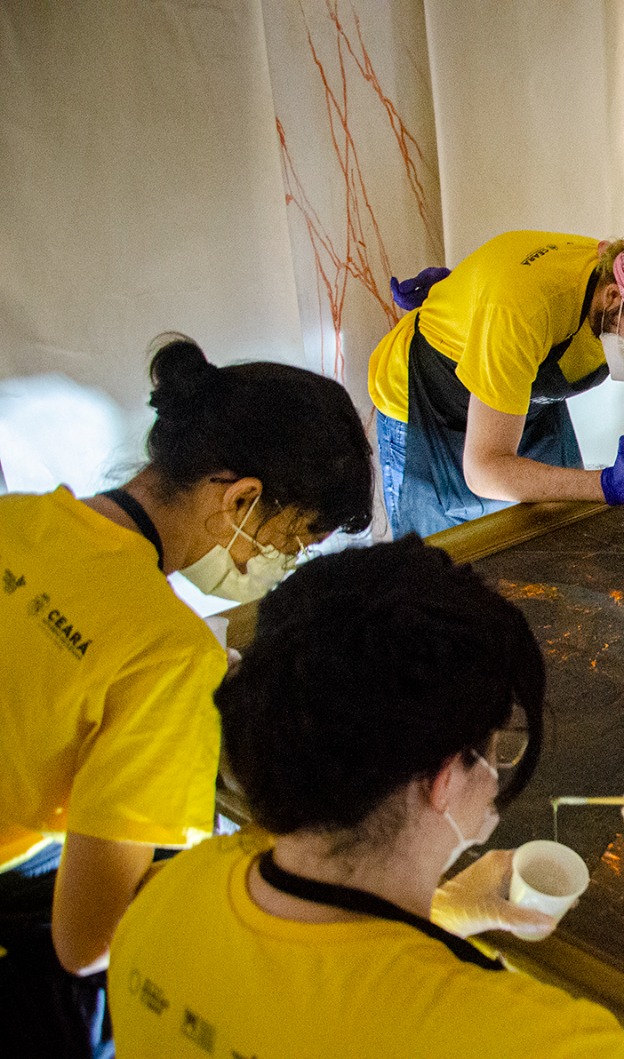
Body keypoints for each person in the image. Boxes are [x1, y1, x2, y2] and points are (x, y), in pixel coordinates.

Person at [108, 538, 624, 1059]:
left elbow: (311, 982)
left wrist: (444, 912)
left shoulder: (172, 892)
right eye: (498, 745)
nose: (499, 766)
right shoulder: (506, 1033)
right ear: (445, 777)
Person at [0, 335, 372, 1057]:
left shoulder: (18, 517)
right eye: (291, 542)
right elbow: (87, 940)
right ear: (241, 498)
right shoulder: (170, 654)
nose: (281, 564)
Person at [369, 223, 624, 537]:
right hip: (427, 402)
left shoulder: (618, 292)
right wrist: (604, 485)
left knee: (558, 538)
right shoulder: (524, 311)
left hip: (524, 399)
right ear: (612, 297)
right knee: (439, 561)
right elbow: (485, 470)